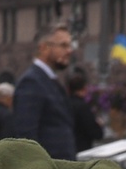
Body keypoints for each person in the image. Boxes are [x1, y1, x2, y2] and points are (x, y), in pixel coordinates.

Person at [6, 24, 81, 159]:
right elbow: (26, 138)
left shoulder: (49, 80)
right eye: (63, 45)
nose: (69, 51)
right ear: (44, 48)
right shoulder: (31, 83)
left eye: (70, 45)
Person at [64, 64, 105, 152]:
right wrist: (99, 125)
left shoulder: (62, 105)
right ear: (84, 88)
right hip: (81, 152)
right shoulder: (83, 107)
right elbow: (96, 134)